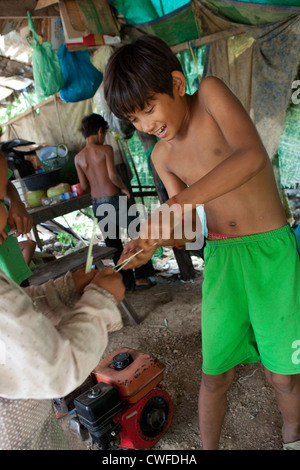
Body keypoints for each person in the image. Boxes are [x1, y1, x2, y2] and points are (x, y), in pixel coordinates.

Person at [102, 35, 300, 450]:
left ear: (176, 83)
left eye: (148, 109)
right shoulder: (161, 157)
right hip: (223, 258)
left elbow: (251, 157)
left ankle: (292, 434)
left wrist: (176, 203)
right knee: (215, 374)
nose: (146, 125)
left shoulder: (209, 94)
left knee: (283, 374)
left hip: (270, 251)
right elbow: (189, 230)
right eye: (134, 120)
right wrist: (150, 242)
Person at [0, 151, 125, 450]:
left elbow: (14, 313)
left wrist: (67, 288)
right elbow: (58, 369)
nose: (7, 216)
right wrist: (100, 301)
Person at [75, 113, 156, 292]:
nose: (104, 137)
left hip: (98, 204)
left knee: (113, 244)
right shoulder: (105, 150)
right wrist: (124, 188)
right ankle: (142, 278)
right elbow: (112, 176)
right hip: (115, 199)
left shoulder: (78, 158)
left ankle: (125, 283)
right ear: (99, 130)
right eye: (104, 133)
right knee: (136, 234)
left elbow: (83, 185)